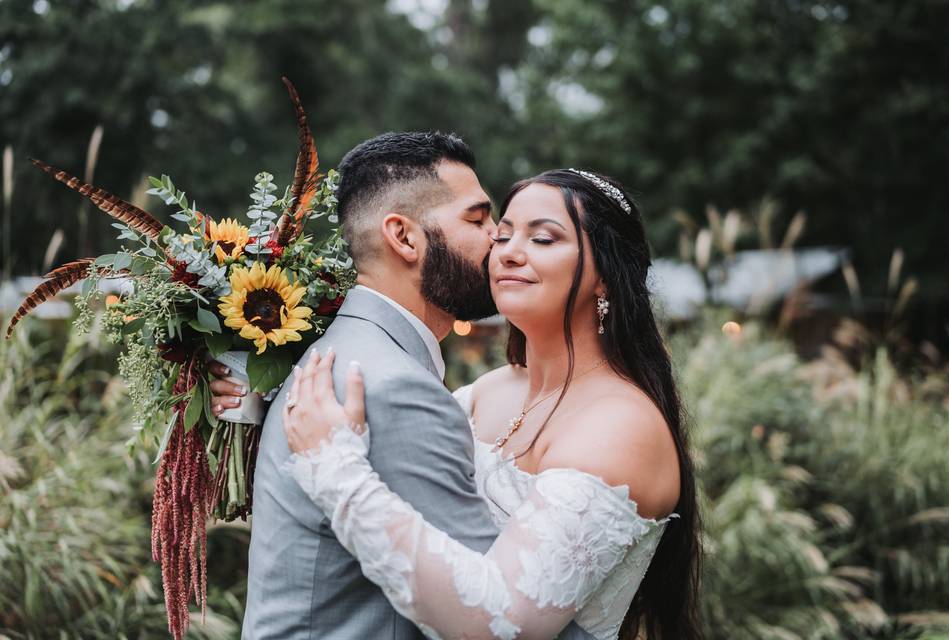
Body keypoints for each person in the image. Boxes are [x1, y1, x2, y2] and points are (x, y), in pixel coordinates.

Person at [281, 169, 703, 639]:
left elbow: (496, 623)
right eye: (502, 236)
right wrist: (258, 396)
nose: (507, 252)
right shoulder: (490, 391)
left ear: (605, 276)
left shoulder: (622, 427)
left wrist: (335, 472)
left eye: (543, 239)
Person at [215, 132, 595, 639]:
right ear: (405, 237)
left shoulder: (344, 354)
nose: (498, 243)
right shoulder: (390, 387)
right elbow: (499, 619)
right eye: (479, 220)